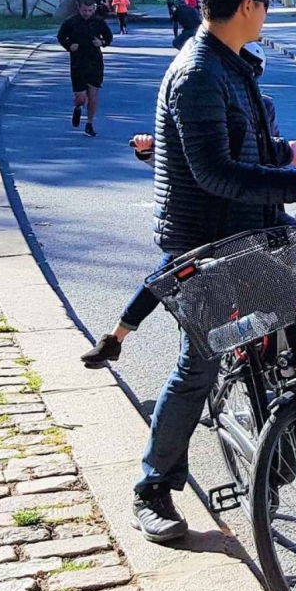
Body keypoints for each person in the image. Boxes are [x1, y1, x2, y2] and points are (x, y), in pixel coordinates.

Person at [132, 0, 296, 542]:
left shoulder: (234, 66)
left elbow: (248, 142)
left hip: (258, 227)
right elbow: (212, 172)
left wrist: (287, 155)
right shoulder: (196, 75)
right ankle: (154, 485)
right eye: (266, 0)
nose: (268, 9)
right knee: (202, 360)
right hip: (208, 241)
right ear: (247, 7)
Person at [81, 41, 275, 369]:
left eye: (249, 70)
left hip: (246, 210)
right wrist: (147, 152)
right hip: (202, 215)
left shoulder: (262, 107)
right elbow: (178, 164)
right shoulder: (199, 94)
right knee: (169, 273)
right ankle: (116, 339)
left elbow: (270, 155)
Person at [57, 0, 112, 138]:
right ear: (79, 8)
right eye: (84, 10)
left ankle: (89, 123)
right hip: (78, 63)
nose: (87, 13)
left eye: (89, 10)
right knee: (81, 97)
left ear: (93, 9)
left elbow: (109, 37)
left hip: (95, 62)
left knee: (93, 95)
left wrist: (102, 42)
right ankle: (78, 107)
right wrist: (69, 46)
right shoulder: (71, 22)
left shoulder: (99, 22)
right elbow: (61, 36)